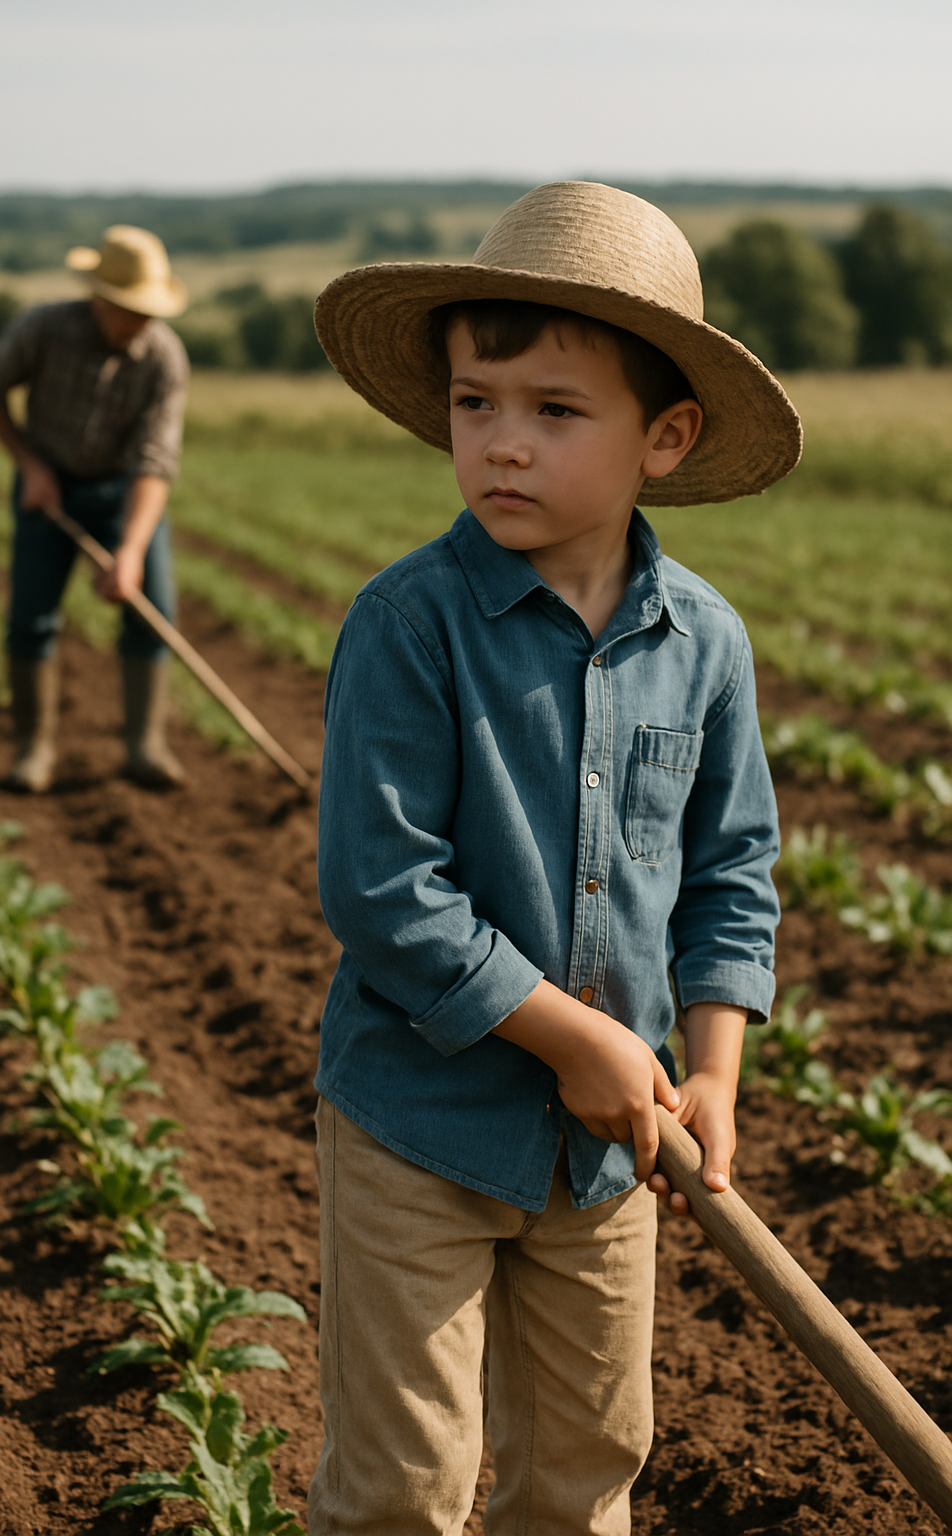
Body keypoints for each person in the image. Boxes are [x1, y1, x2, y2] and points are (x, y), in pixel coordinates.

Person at [309, 181, 803, 1535]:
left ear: (668, 435)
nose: (502, 447)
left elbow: (729, 874)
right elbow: (383, 890)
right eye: (476, 404)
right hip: (420, 1125)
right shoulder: (411, 624)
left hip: (604, 1168)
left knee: (586, 1473)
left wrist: (707, 1070)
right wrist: (575, 1042)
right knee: (406, 1487)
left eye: (555, 411)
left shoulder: (705, 645)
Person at [0, 224, 190, 791]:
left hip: (124, 490)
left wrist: (131, 549)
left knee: (152, 612)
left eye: (148, 309)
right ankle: (33, 750)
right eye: (130, 308)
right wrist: (29, 465)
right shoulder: (43, 329)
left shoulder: (164, 358)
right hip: (48, 490)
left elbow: (154, 461)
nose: (142, 320)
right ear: (100, 296)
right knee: (31, 619)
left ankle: (145, 747)